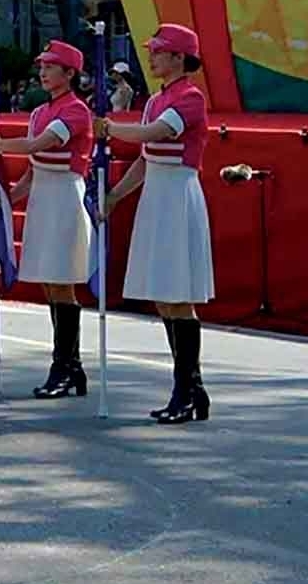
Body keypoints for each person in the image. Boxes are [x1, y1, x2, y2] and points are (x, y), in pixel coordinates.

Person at [99, 24, 215, 425]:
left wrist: (112, 128)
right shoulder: (157, 100)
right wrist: (115, 197)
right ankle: (191, 387)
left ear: (180, 57)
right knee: (165, 296)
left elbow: (155, 133)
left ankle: (186, 388)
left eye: (160, 52)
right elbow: (146, 156)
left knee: (178, 294)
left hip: (178, 193)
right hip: (157, 194)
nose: (152, 57)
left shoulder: (190, 98)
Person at [0, 40, 97, 400]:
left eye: (51, 66)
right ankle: (68, 365)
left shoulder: (75, 111)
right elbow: (32, 170)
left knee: (61, 281)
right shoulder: (41, 111)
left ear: (69, 74)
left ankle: (66, 365)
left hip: (64, 197)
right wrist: (6, 200)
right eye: (42, 65)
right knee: (51, 285)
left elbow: (41, 145)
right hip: (43, 195)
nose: (43, 71)